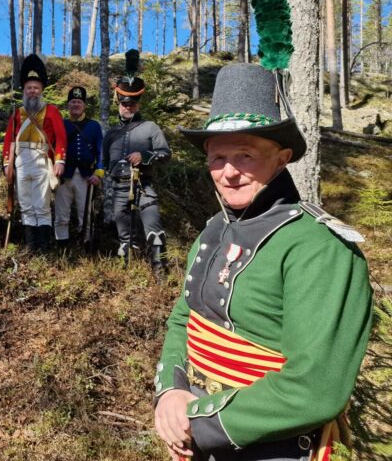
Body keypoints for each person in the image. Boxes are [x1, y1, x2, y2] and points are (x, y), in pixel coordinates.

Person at [153, 63, 373, 461]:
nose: (229, 172)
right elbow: (183, 320)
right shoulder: (213, 231)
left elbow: (315, 388)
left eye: (246, 155)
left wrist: (196, 421)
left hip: (270, 448)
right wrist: (171, 390)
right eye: (218, 157)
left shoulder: (319, 246)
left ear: (282, 157)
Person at [103, 50, 171, 271]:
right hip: (118, 188)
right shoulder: (111, 133)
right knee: (124, 236)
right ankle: (125, 275)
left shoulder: (150, 127)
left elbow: (165, 154)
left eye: (131, 104)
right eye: (124, 103)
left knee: (154, 230)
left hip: (144, 186)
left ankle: (160, 274)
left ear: (138, 104)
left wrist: (145, 157)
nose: (127, 107)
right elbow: (104, 161)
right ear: (118, 104)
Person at [2, 53, 67, 251]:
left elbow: (61, 136)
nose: (32, 91)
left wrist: (60, 160)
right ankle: (31, 247)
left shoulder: (52, 111)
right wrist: (7, 164)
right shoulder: (17, 112)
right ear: (25, 90)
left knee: (42, 205)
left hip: (41, 159)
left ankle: (44, 247)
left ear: (41, 90)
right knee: (26, 204)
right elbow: (8, 140)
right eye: (29, 88)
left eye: (36, 88)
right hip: (21, 162)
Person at [54, 86, 104, 248]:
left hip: (86, 176)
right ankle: (62, 245)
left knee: (86, 214)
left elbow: (101, 152)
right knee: (61, 214)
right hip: (63, 175)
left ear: (84, 105)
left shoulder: (94, 126)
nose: (76, 104)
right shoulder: (61, 124)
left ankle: (86, 244)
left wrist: (98, 173)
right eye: (73, 101)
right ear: (68, 105)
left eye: (79, 102)